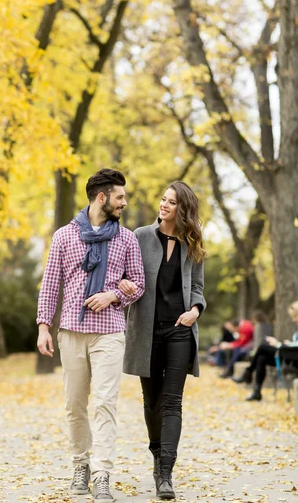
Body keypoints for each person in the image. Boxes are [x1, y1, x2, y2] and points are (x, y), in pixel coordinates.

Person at [36, 168, 145, 503]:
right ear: (102, 197)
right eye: (119, 197)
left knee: (105, 404)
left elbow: (138, 283)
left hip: (109, 333)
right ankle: (80, 464)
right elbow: (51, 284)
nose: (124, 202)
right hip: (71, 332)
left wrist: (115, 294)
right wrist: (43, 326)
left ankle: (102, 474)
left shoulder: (126, 239)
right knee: (74, 405)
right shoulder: (64, 237)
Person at [120, 181, 206, 500]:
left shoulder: (192, 243)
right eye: (163, 199)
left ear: (182, 209)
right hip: (146, 330)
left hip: (180, 330)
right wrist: (125, 284)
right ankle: (157, 455)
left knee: (173, 401)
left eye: (171, 202)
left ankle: (166, 473)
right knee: (151, 402)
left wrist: (195, 310)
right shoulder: (140, 236)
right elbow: (124, 273)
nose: (164, 205)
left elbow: (197, 287)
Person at [233, 300, 298, 401]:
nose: (293, 320)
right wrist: (288, 343)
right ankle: (257, 392)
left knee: (263, 347)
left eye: (295, 317)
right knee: (262, 358)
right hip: (289, 356)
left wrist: (278, 344)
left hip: (293, 359)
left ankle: (248, 373)